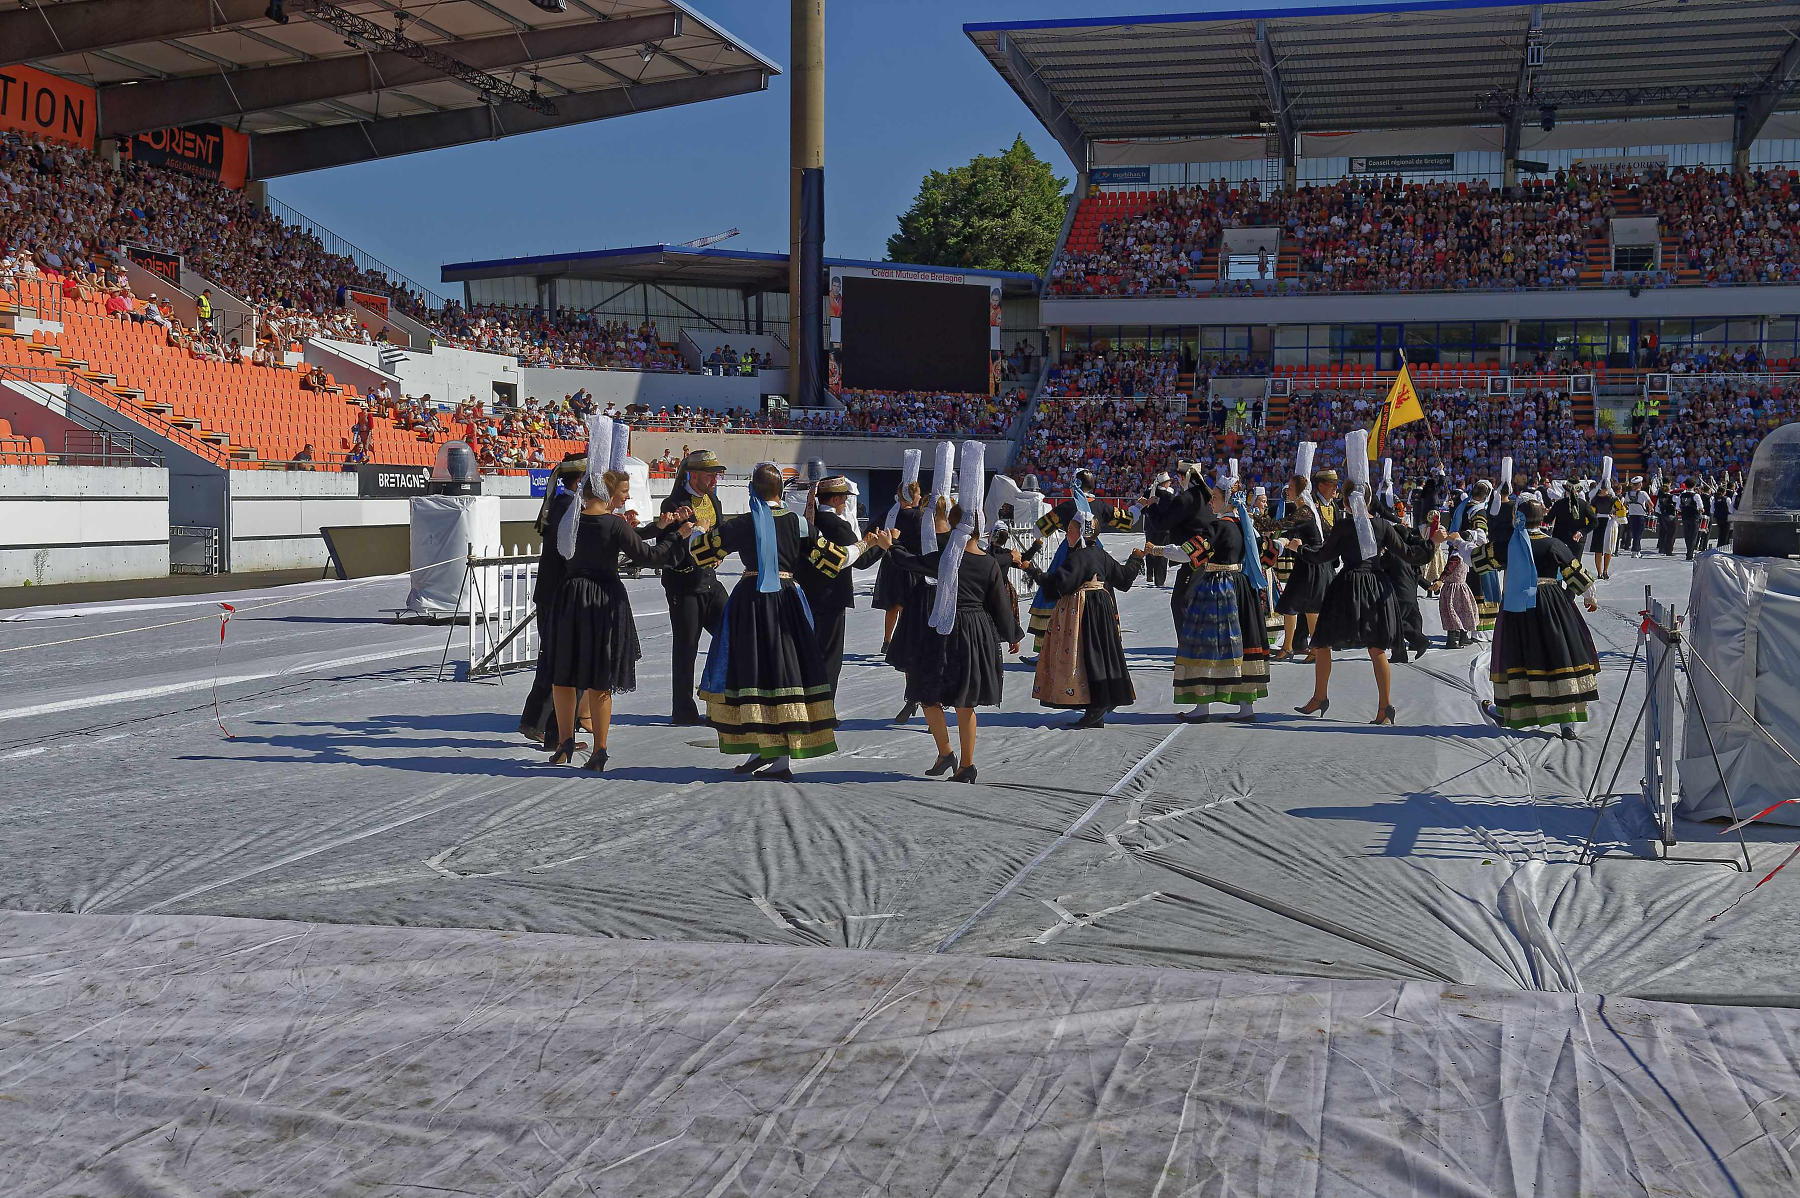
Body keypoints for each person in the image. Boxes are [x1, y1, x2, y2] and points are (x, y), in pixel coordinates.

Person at [694, 464, 885, 777]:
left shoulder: (743, 522)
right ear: (780, 492)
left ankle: (764, 748)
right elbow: (836, 559)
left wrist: (697, 530)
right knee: (784, 671)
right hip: (787, 601)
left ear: (753, 491)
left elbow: (701, 552)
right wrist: (866, 544)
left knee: (754, 671)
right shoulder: (798, 523)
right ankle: (775, 756)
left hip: (750, 603)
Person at [545, 469, 692, 770]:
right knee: (600, 679)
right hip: (603, 601)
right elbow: (649, 557)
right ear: (609, 494)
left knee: (563, 675)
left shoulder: (570, 521)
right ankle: (599, 749)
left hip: (571, 598)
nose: (627, 496)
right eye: (623, 492)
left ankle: (564, 742)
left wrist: (655, 527)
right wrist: (677, 535)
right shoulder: (614, 524)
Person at [887, 479, 1024, 783]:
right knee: (966, 701)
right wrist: (1012, 634)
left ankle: (946, 752)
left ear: (954, 525)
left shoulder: (947, 558)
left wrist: (891, 546)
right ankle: (967, 763)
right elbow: (1000, 604)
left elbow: (910, 562)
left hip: (945, 629)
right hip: (976, 632)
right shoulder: (989, 563)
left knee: (926, 692)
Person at [1292, 433, 1404, 724]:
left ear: (1346, 498)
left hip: (1348, 588)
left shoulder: (1344, 526)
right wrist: (1432, 543)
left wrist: (1298, 549)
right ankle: (1385, 707)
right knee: (1376, 647)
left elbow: (1322, 556)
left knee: (1323, 642)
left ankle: (1320, 696)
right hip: (1377, 587)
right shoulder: (1382, 525)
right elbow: (1409, 554)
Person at [1481, 498, 1602, 740]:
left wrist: (1458, 542)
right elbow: (1575, 571)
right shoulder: (1553, 544)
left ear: (1518, 518)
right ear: (1542, 519)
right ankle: (1567, 723)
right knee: (1559, 652)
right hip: (1552, 603)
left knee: (1517, 656)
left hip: (1518, 607)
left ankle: (1508, 712)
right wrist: (1590, 596)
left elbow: (1478, 559)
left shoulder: (1510, 544)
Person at [1032, 510, 1147, 729]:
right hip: (1102, 607)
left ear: (1081, 533)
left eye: (1070, 530)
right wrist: (1135, 559)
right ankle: (1099, 702)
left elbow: (1058, 585)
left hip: (1084, 610)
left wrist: (1032, 570)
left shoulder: (1079, 557)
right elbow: (1123, 579)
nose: (1067, 534)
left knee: (1088, 655)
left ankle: (1096, 706)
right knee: (1100, 654)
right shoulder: (1099, 554)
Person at [1165, 480, 1269, 723]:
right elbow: (1266, 552)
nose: (1211, 501)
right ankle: (1246, 707)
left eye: (1215, 497)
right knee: (1242, 643)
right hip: (1242, 588)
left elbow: (1187, 554)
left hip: (1218, 588)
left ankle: (1202, 707)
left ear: (1226, 500)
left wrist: (1158, 550)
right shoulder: (1245, 525)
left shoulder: (1218, 526)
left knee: (1206, 643)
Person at [1025, 469, 1139, 653]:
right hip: (1096, 552)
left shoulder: (1066, 507)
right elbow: (1129, 521)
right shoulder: (1102, 507)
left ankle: (1050, 648)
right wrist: (1139, 505)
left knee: (1056, 588)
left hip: (1069, 553)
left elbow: (1039, 530)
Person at [519, 450, 589, 747]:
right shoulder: (568, 507)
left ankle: (541, 722)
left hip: (555, 594)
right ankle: (550, 726)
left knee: (554, 660)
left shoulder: (565, 504)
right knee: (560, 662)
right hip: (560, 596)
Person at [656, 450, 729, 725]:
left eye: (716, 475)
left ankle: (725, 699)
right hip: (684, 584)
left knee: (733, 632)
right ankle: (683, 710)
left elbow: (720, 532)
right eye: (710, 475)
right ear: (693, 475)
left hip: (710, 581)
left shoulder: (713, 499)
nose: (714, 480)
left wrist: (720, 552)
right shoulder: (673, 504)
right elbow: (668, 546)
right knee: (686, 648)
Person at [798, 475, 882, 693]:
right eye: (844, 498)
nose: (845, 502)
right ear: (835, 499)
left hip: (807, 596)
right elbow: (860, 561)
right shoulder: (837, 525)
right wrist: (880, 545)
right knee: (829, 658)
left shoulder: (808, 522)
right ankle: (824, 705)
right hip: (831, 598)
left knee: (808, 653)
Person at [1273, 472, 1331, 660]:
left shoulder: (1305, 511)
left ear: (1299, 491)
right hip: (1307, 562)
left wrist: (1247, 517)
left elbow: (1277, 525)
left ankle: (1312, 649)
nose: (1287, 490)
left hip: (1310, 564)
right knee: (1293, 604)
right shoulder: (1308, 510)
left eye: (1290, 487)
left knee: (1308, 607)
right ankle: (1291, 646)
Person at [1625, 477, 1650, 554]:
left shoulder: (1628, 494)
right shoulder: (1643, 493)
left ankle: (1638, 550)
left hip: (1631, 515)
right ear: (1640, 484)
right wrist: (1650, 510)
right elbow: (1651, 504)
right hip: (1641, 515)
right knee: (1638, 534)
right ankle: (1634, 550)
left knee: (1634, 533)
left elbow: (1625, 504)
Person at [1679, 484, 1704, 559]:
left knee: (1687, 535)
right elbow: (1701, 507)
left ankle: (1688, 550)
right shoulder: (1696, 495)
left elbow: (1678, 507)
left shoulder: (1682, 495)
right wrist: (1701, 510)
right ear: (1694, 486)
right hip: (1694, 517)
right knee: (1693, 536)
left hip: (1685, 516)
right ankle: (1690, 553)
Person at [1656, 484, 1679, 556]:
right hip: (1672, 516)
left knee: (1664, 532)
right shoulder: (1672, 497)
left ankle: (1662, 548)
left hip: (1663, 516)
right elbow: (1679, 502)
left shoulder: (1660, 498)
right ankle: (1669, 550)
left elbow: (1657, 509)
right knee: (1671, 534)